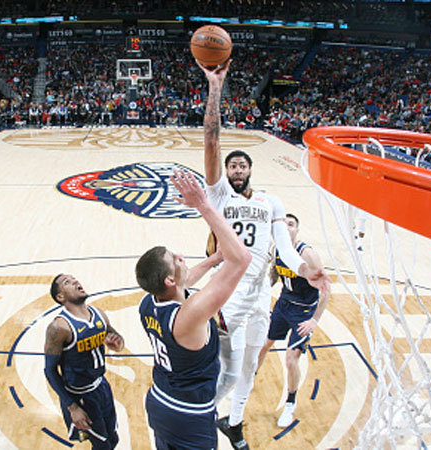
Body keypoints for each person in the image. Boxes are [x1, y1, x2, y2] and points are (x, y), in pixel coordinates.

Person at [198, 60, 331, 450]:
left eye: (242, 164)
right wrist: (215, 89)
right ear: (225, 172)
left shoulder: (272, 202)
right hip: (228, 292)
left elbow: (286, 251)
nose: (237, 169)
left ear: (251, 169)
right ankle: (202, 413)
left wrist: (308, 270)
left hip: (259, 296)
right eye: (231, 165)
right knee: (224, 368)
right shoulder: (219, 194)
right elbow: (210, 139)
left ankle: (234, 424)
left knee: (250, 371)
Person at [136, 170, 251, 450]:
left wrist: (213, 260)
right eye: (175, 259)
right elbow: (241, 260)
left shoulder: (149, 301)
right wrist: (203, 205)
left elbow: (184, 282)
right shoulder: (189, 317)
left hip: (160, 400)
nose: (181, 256)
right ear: (169, 280)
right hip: (188, 414)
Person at [257, 213, 330, 428]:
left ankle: (290, 403)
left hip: (304, 312)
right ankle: (250, 377)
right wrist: (260, 292)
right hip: (283, 304)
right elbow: (274, 273)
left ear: (297, 230)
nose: (287, 228)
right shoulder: (277, 249)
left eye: (291, 225)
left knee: (291, 359)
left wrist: (315, 320)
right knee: (263, 344)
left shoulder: (307, 254)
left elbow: (326, 290)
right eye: (283, 224)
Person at [44, 274, 125, 449]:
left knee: (114, 439)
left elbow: (118, 342)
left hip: (102, 387)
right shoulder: (59, 328)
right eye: (67, 282)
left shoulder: (99, 314)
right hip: (80, 396)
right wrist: (72, 407)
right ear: (60, 297)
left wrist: (116, 344)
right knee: (102, 446)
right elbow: (50, 371)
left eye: (74, 279)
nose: (75, 281)